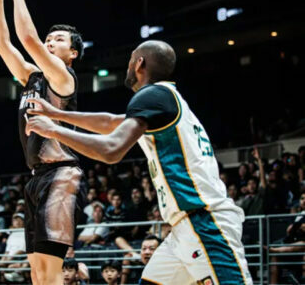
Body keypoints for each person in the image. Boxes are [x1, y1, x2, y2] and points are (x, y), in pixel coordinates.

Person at [25, 40, 253, 284]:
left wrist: (54, 131)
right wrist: (57, 114)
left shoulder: (152, 95)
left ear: (139, 63)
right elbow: (111, 122)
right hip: (182, 230)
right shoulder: (164, 99)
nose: (127, 65)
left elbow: (111, 150)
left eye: (131, 59)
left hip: (205, 222)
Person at [0, 0, 86, 285]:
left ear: (73, 53)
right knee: (38, 276)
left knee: (51, 276)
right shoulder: (31, 77)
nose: (50, 41)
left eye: (59, 39)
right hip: (37, 178)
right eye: (49, 38)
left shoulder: (63, 78)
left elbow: (27, 37)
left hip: (62, 176)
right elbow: (3, 45)